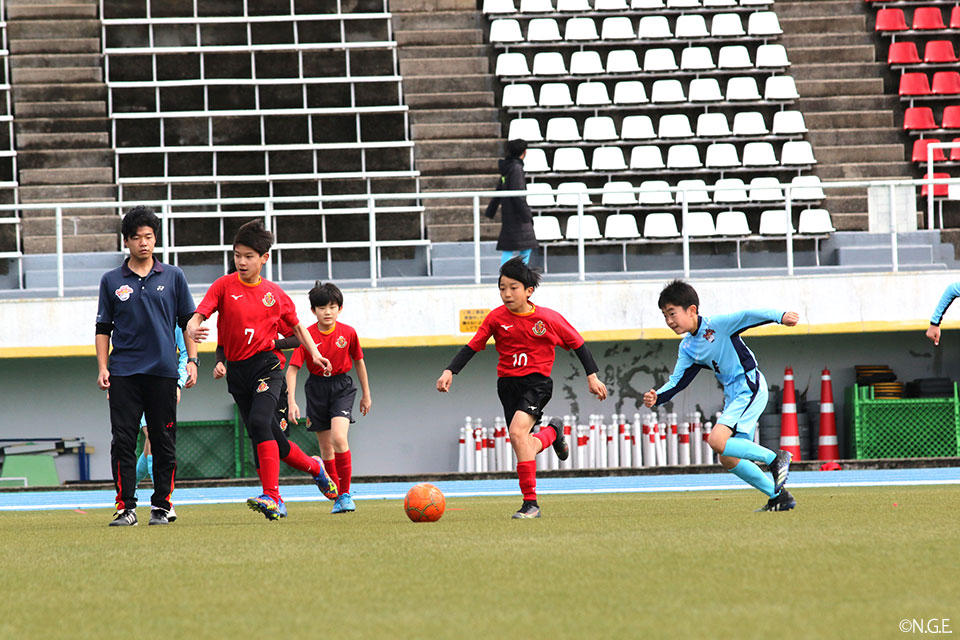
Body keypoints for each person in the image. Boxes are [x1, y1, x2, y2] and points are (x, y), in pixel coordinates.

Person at [185, 219, 339, 521]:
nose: (241, 262)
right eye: (237, 255)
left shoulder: (275, 294)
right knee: (271, 442)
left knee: (259, 423)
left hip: (267, 368)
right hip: (238, 372)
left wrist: (316, 353)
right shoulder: (223, 286)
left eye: (248, 256)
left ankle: (272, 496)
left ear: (264, 259)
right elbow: (199, 314)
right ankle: (315, 467)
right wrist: (193, 328)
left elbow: (297, 327)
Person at [436, 257, 607, 519]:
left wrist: (592, 377)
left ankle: (531, 504)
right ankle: (552, 433)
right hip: (507, 385)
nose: (506, 293)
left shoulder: (548, 318)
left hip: (537, 383)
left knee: (517, 433)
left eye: (513, 287)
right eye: (502, 288)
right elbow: (473, 346)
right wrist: (450, 370)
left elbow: (578, 344)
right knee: (523, 441)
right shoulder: (495, 318)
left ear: (528, 291)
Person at [642, 280, 798, 512]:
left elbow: (748, 316)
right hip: (734, 395)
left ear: (692, 310)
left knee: (716, 441)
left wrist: (780, 316)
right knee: (727, 458)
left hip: (749, 385)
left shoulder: (719, 325)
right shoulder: (687, 347)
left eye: (672, 313)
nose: (669, 321)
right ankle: (778, 497)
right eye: (665, 315)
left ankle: (776, 459)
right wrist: (658, 397)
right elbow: (677, 381)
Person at [96, 205, 198, 527]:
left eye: (149, 237)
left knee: (163, 441)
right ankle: (125, 507)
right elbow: (102, 329)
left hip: (163, 372)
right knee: (123, 441)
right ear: (126, 241)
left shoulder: (173, 276)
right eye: (137, 237)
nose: (144, 243)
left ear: (156, 240)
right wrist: (102, 368)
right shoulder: (111, 280)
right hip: (124, 372)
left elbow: (187, 322)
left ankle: (162, 506)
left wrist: (192, 360)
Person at [286, 282, 372, 514]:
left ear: (340, 309)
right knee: (326, 448)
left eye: (332, 307)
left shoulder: (349, 332)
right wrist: (291, 401)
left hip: (342, 386)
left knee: (339, 438)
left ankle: (345, 494)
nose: (327, 312)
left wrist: (366, 394)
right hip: (316, 389)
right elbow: (292, 369)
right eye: (322, 307)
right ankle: (336, 495)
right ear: (314, 311)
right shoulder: (307, 336)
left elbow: (359, 362)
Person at [135, 327, 189, 521]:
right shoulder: (137, 311)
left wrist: (178, 383)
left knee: (151, 444)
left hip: (164, 386)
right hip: (137, 384)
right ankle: (165, 502)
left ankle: (131, 484)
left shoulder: (174, 321)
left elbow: (185, 353)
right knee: (152, 437)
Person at [485, 139, 538, 266]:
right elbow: (518, 195)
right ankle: (518, 275)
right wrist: (527, 216)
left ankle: (509, 274)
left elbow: (499, 189)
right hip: (518, 216)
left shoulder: (507, 168)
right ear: (524, 152)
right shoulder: (516, 168)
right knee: (525, 247)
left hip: (508, 214)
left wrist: (491, 210)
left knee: (510, 248)